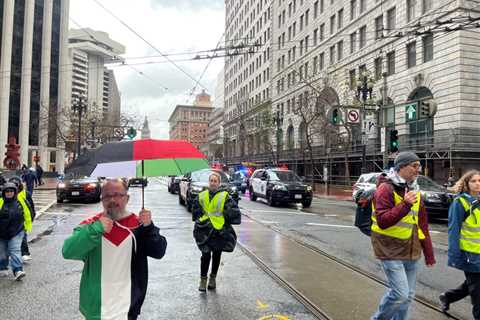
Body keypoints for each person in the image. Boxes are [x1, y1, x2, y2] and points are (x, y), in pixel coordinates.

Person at [62, 179, 167, 320]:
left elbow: (159, 251)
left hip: (128, 308)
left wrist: (149, 227)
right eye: (107, 196)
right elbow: (68, 251)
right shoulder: (91, 226)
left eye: (118, 195)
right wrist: (96, 229)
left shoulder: (139, 226)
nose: (112, 200)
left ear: (127, 198)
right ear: (102, 199)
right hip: (96, 310)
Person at [371, 151, 435, 320]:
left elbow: (421, 224)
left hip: (411, 250)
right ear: (401, 167)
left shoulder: (415, 189)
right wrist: (405, 204)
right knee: (400, 294)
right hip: (390, 249)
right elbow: (383, 220)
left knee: (407, 297)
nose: (418, 169)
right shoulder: (385, 188)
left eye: (419, 166)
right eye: (414, 166)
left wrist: (428, 253)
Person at [439, 170, 480, 318]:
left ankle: (448, 297)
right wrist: (454, 255)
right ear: (466, 184)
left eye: (479, 181)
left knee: (473, 284)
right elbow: (453, 230)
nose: (477, 184)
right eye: (474, 181)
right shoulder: (460, 202)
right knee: (478, 293)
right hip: (470, 255)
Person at [192, 172, 241, 292]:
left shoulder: (224, 196)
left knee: (217, 255)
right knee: (205, 255)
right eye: (211, 181)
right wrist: (199, 220)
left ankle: (212, 278)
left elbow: (233, 211)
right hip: (204, 230)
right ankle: (203, 280)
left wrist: (225, 219)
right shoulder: (202, 195)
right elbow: (195, 209)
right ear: (209, 182)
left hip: (219, 230)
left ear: (219, 183)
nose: (213, 183)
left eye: (215, 181)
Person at [0, 182, 32, 280]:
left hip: (17, 231)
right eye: (7, 191)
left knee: (15, 250)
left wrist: (27, 227)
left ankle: (18, 270)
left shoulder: (20, 201)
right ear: (4, 193)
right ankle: (3, 268)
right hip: (2, 233)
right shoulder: (0, 202)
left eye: (11, 191)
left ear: (15, 192)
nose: (9, 193)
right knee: (2, 252)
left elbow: (27, 213)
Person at [8, 177, 35, 262]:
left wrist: (30, 219)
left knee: (22, 237)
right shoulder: (6, 194)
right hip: (9, 221)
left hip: (22, 220)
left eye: (16, 185)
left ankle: (25, 253)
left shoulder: (26, 194)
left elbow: (31, 208)